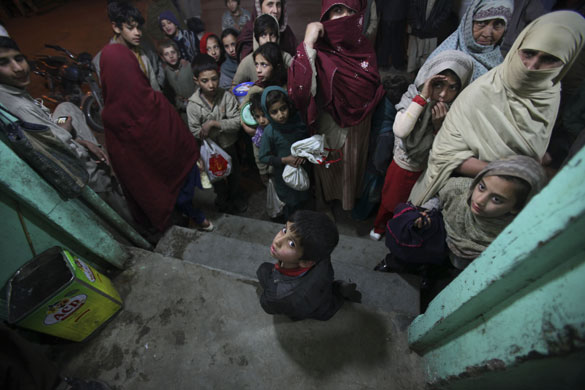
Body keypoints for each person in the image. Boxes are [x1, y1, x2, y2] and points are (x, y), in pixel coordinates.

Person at [409, 11, 585, 206]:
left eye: (549, 60)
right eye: (528, 53)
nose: (532, 67)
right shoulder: (482, 92)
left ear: (567, 62)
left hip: (506, 203)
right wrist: (515, 171)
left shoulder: (550, 94)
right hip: (458, 197)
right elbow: (445, 156)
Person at [0, 36, 128, 215]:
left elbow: (53, 127)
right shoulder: (19, 106)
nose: (18, 68)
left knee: (66, 108)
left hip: (58, 131)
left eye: (18, 58)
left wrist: (81, 140)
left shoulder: (14, 92)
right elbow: (62, 146)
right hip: (77, 169)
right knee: (113, 196)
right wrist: (78, 142)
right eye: (4, 63)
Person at [100, 44, 212, 232]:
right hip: (177, 172)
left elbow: (123, 163)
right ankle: (193, 216)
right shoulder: (155, 101)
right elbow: (180, 136)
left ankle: (182, 219)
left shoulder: (110, 118)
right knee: (182, 191)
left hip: (153, 185)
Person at [288, 0, 386, 212]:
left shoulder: (365, 49)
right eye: (337, 11)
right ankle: (326, 206)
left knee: (351, 170)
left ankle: (348, 205)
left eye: (350, 11)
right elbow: (300, 93)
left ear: (359, 16)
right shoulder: (317, 51)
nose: (343, 17)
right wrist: (308, 43)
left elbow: (371, 86)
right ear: (325, 15)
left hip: (358, 129)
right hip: (330, 125)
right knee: (329, 168)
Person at [376, 155, 547, 273]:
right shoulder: (459, 189)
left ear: (516, 207)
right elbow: (439, 194)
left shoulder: (510, 234)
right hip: (436, 242)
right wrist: (428, 211)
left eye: (496, 199)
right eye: (481, 187)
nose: (479, 200)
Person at [370, 50, 474, 240]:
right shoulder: (413, 97)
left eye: (452, 88)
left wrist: (437, 127)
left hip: (428, 168)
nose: (443, 94)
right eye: (438, 84)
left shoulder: (457, 110)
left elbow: (449, 146)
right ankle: (380, 226)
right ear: (428, 80)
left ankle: (400, 230)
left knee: (413, 204)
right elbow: (401, 130)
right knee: (389, 199)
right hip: (403, 164)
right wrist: (423, 96)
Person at [256, 210, 361, 321]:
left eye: (291, 244)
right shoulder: (320, 253)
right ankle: (339, 289)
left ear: (306, 262)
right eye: (284, 230)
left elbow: (267, 305)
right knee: (326, 300)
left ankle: (337, 293)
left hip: (306, 306)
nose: (277, 241)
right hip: (322, 285)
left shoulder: (276, 296)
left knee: (263, 270)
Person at [187, 54, 247, 214]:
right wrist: (202, 131)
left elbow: (237, 122)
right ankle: (223, 199)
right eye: (205, 81)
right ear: (196, 81)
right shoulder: (193, 105)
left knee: (234, 174)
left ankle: (236, 197)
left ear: (219, 76)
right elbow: (194, 130)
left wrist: (214, 124)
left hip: (229, 145)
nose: (211, 85)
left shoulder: (226, 97)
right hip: (210, 150)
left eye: (214, 79)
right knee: (217, 177)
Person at [427, 0, 514, 81]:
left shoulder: (501, 63)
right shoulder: (445, 60)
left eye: (498, 25)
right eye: (481, 23)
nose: (487, 34)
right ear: (468, 22)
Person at [258, 87, 310, 218]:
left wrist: (304, 155)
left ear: (289, 106)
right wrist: (285, 160)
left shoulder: (298, 122)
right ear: (267, 112)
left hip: (303, 169)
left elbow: (307, 142)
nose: (281, 115)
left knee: (304, 199)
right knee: (291, 205)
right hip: (283, 176)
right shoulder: (270, 131)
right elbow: (263, 156)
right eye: (274, 112)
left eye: (283, 108)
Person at [93, 1, 160, 91]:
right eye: (130, 28)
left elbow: (155, 87)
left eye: (138, 27)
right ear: (116, 27)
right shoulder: (102, 60)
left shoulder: (142, 52)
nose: (137, 33)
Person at [232, 14, 293, 88]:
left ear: (277, 37)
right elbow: (234, 86)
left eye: (272, 35)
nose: (268, 40)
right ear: (257, 39)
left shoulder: (286, 58)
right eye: (263, 35)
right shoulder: (248, 61)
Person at [405, 0, 454, 73]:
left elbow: (445, 12)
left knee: (427, 57)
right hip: (417, 29)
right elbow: (412, 7)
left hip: (432, 32)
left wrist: (433, 25)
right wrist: (417, 23)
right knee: (413, 55)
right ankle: (412, 75)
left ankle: (423, 76)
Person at [158, 39, 195, 124]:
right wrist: (179, 104)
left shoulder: (188, 66)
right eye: (166, 54)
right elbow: (169, 94)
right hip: (182, 110)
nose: (171, 56)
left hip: (196, 104)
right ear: (163, 58)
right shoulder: (165, 73)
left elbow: (198, 83)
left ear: (178, 54)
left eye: (173, 52)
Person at [247, 92, 271, 184]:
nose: (261, 120)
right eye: (257, 116)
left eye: (264, 115)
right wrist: (263, 171)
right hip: (268, 171)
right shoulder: (259, 134)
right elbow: (258, 154)